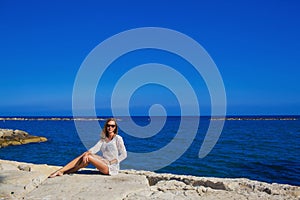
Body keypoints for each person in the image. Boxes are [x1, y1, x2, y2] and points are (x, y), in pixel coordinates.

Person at [49, 118, 127, 177]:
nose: (110, 127)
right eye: (108, 125)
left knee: (88, 158)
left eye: (112, 126)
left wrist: (111, 162)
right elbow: (94, 149)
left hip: (111, 168)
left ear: (115, 128)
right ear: (106, 127)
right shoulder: (103, 139)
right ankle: (62, 171)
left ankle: (63, 171)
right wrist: (86, 154)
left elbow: (124, 154)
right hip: (103, 162)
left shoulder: (118, 138)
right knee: (85, 155)